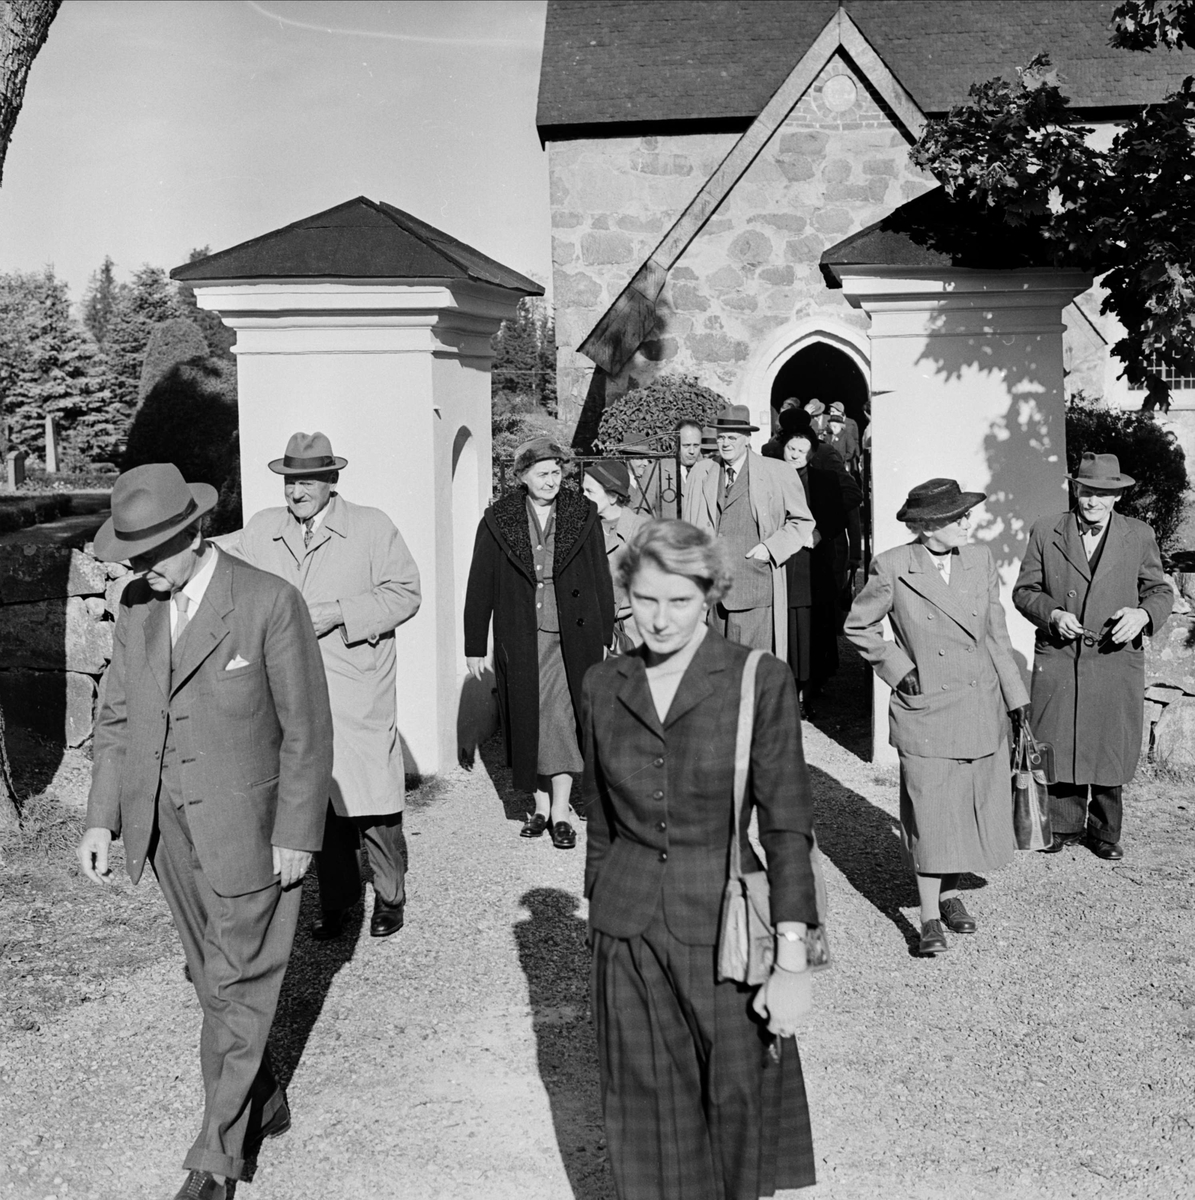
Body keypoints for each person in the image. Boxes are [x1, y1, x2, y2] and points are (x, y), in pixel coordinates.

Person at [77, 463, 333, 1200]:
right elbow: (118, 720)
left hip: (251, 829)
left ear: (194, 533)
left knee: (242, 982)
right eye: (130, 553)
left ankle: (215, 1159)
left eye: (151, 551)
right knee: (213, 980)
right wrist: (102, 818)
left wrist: (297, 831)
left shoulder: (265, 602)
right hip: (164, 835)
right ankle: (265, 1092)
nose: (138, 567)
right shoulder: (137, 604)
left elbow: (306, 732)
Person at [582, 519, 819, 1199]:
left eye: (678, 601)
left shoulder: (756, 680)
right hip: (626, 934)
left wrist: (792, 958)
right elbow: (599, 820)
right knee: (643, 1116)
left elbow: (786, 826)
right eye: (646, 599)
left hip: (724, 927)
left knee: (735, 1108)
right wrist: (603, 906)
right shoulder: (602, 683)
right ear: (627, 592)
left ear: (710, 596)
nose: (659, 619)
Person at [218, 432, 421, 940]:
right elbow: (221, 561)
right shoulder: (265, 528)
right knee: (315, 798)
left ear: (332, 480)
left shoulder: (373, 527)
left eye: (307, 480)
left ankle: (391, 895)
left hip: (356, 684)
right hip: (290, 687)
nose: (296, 491)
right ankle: (339, 901)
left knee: (372, 800)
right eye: (290, 481)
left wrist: (340, 613)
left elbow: (406, 592)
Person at [845, 478, 1029, 956]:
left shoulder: (980, 559)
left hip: (977, 701)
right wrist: (898, 670)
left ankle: (948, 895)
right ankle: (928, 918)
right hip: (926, 706)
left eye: (966, 515)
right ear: (928, 528)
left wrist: (1016, 698)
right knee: (930, 808)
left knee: (965, 804)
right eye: (957, 517)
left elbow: (995, 635)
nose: (969, 523)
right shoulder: (892, 565)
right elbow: (857, 625)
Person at [1012, 452, 1172, 860]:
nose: (1092, 501)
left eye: (1103, 494)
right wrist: (1053, 614)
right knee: (1061, 736)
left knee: (1108, 741)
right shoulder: (1047, 530)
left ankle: (1104, 830)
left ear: (1117, 496)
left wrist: (1142, 615)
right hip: (1062, 654)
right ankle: (1063, 824)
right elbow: (1024, 591)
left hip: (1113, 656)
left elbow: (1160, 591)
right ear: (1075, 489)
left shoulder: (1139, 535)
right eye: (1086, 491)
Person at [465, 437, 614, 848]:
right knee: (528, 716)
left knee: (563, 717)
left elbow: (600, 575)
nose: (552, 481)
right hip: (521, 635)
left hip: (573, 634)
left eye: (556, 472)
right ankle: (540, 805)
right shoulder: (499, 520)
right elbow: (480, 584)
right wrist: (475, 643)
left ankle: (560, 810)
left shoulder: (583, 515)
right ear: (523, 477)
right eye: (543, 473)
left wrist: (604, 634)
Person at [682, 404, 815, 656]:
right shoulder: (702, 472)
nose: (725, 443)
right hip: (712, 593)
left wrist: (770, 548)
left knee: (750, 671)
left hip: (754, 588)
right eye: (721, 437)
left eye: (732, 437)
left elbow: (802, 521)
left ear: (747, 439)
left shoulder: (778, 472)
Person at [776, 424, 846, 712]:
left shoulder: (824, 480)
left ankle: (808, 689)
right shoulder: (772, 475)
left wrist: (817, 535)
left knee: (810, 625)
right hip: (783, 559)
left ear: (812, 454)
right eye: (791, 449)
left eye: (802, 451)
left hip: (812, 560)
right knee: (787, 625)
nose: (795, 455)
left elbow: (837, 515)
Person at [581, 459, 650, 652]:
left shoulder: (642, 531)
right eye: (583, 490)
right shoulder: (582, 528)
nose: (583, 496)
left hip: (635, 634)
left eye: (590, 492)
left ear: (612, 496)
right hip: (592, 632)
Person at [825, 402, 860, 473]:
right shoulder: (829, 428)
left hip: (846, 461)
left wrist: (856, 457)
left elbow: (855, 442)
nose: (831, 413)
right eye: (830, 412)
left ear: (841, 412)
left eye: (833, 411)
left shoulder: (851, 423)